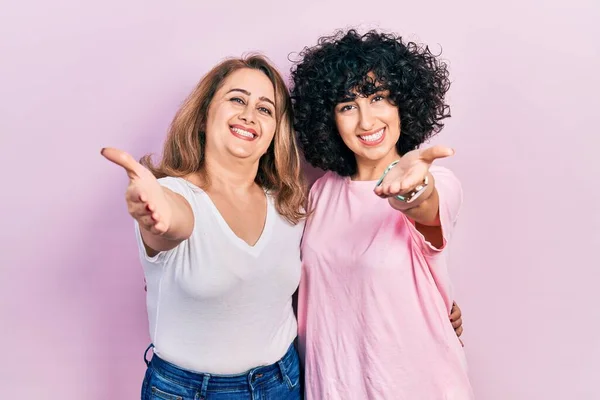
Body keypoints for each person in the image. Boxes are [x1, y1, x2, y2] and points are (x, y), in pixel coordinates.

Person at [102, 55, 306, 400]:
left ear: (275, 131)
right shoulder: (175, 196)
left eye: (265, 109)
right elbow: (172, 224)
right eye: (237, 99)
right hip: (191, 391)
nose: (249, 115)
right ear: (203, 116)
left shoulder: (288, 204)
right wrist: (157, 216)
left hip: (282, 381)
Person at [291, 29, 474, 399]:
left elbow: (424, 204)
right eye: (347, 105)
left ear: (402, 104)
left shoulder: (437, 179)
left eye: (378, 98)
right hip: (334, 385)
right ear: (329, 118)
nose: (366, 120)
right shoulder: (320, 192)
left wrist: (412, 190)